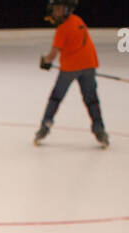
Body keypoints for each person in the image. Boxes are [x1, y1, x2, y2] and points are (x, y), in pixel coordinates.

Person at [35, 1, 109, 147]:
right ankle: (100, 130)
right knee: (92, 100)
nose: (55, 12)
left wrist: (44, 61)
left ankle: (45, 126)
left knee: (56, 98)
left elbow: (52, 55)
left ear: (66, 10)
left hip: (69, 69)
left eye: (58, 9)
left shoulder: (61, 29)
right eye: (54, 9)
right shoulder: (78, 20)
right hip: (89, 65)